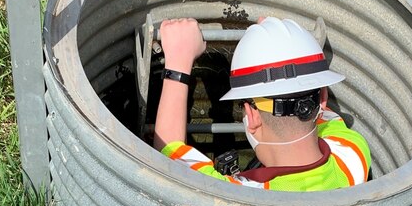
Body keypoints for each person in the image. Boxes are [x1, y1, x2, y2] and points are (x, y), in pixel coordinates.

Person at [153, 17, 372, 191]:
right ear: (322, 99)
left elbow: (167, 152)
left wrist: (178, 64)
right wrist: (282, 46)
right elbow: (321, 113)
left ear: (252, 115)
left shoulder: (240, 195)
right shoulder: (353, 154)